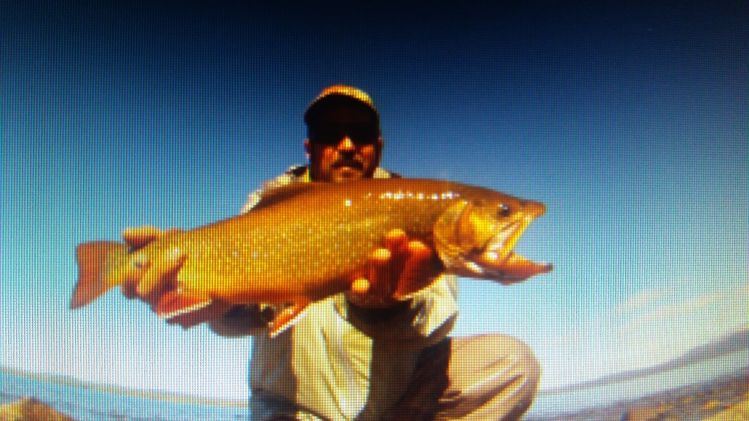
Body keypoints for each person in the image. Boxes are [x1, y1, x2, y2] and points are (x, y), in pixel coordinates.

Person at [124, 85, 540, 420]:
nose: (345, 144)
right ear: (310, 147)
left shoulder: (413, 207)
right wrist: (214, 304)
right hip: (298, 410)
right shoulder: (269, 205)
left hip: (397, 403)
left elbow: (437, 320)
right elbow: (242, 313)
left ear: (377, 146)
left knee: (511, 365)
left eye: (359, 134)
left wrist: (385, 306)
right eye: (330, 134)